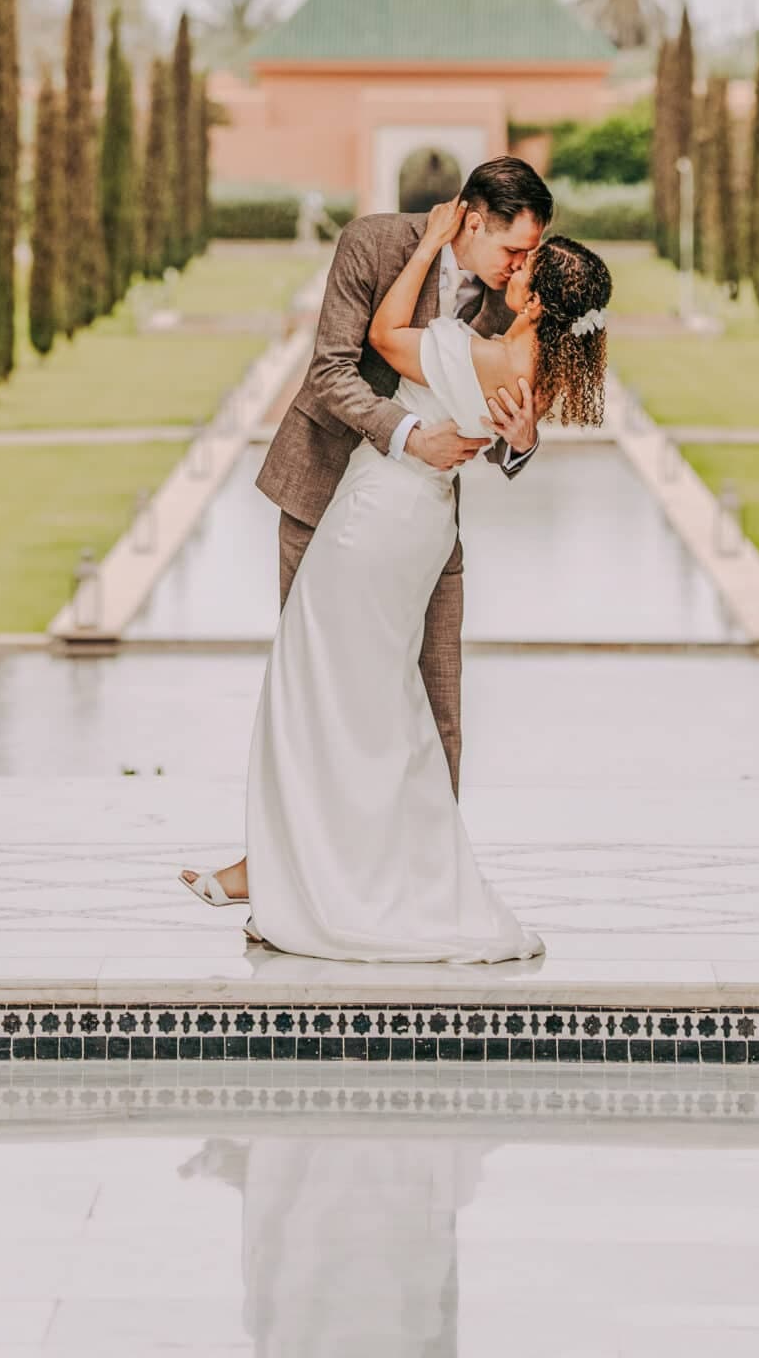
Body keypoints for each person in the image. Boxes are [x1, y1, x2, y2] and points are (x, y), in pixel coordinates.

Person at [192, 184, 614, 963]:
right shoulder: (375, 242)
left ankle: (403, 885)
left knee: (426, 710)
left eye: (531, 257)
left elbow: (501, 420)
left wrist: (519, 444)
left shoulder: (503, 308)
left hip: (412, 527)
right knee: (329, 699)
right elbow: (330, 371)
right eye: (513, 249)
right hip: (329, 495)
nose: (519, 265)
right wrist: (409, 435)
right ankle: (292, 871)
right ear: (473, 219)